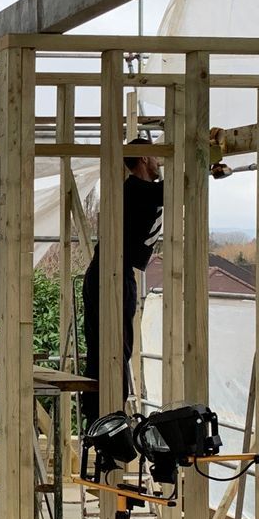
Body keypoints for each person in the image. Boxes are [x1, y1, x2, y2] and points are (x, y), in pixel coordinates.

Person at [81, 141, 165, 423]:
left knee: (104, 349)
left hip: (105, 272)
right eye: (155, 156)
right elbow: (183, 187)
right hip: (112, 275)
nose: (159, 162)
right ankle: (109, 419)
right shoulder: (138, 190)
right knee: (115, 350)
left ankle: (100, 418)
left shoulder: (136, 191)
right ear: (143, 158)